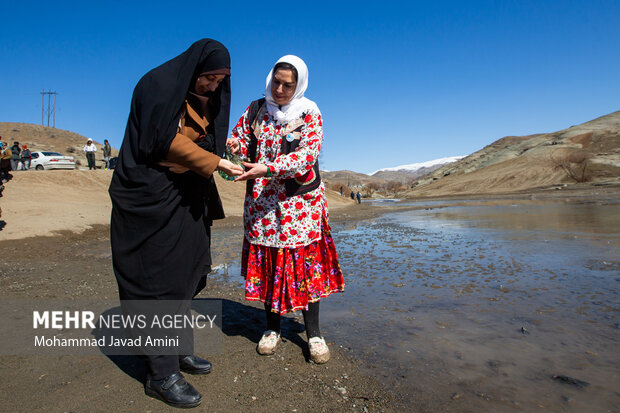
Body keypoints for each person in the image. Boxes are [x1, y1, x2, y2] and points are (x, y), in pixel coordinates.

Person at [109, 39, 241, 409]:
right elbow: (160, 141)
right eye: (208, 78)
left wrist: (217, 157)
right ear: (194, 70)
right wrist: (215, 163)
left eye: (219, 81)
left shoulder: (204, 99)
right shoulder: (158, 85)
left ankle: (177, 349)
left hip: (184, 196)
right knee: (158, 281)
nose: (212, 86)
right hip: (149, 200)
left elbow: (205, 140)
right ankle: (159, 373)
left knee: (186, 271)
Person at [228, 55, 344, 365]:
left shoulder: (310, 114)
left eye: (287, 85)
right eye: (276, 82)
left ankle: (314, 334)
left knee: (305, 267)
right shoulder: (255, 110)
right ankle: (272, 329)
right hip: (262, 207)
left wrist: (267, 168)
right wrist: (233, 147)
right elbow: (238, 139)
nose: (279, 89)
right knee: (269, 266)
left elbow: (307, 156)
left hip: (300, 208)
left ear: (299, 85)